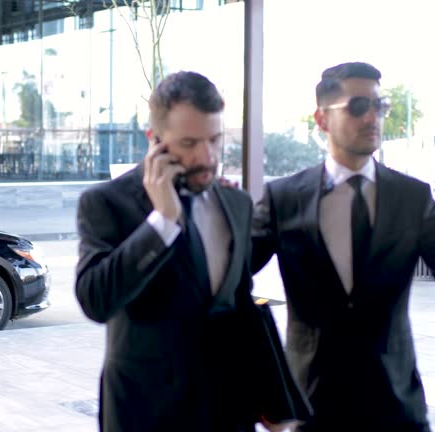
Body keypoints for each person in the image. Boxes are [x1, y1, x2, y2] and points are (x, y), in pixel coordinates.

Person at [251, 61, 435, 432]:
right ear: (322, 119)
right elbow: (235, 271)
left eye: (380, 106)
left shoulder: (411, 197)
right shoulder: (284, 198)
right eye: (359, 107)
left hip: (394, 401)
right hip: (309, 403)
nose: (372, 117)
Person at [76, 71, 293, 432]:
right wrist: (162, 222)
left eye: (215, 140)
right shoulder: (106, 203)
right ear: (155, 140)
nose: (206, 157)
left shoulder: (236, 204)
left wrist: (272, 399)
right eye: (189, 143)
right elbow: (95, 301)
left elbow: (240, 305)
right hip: (146, 413)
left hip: (228, 410)